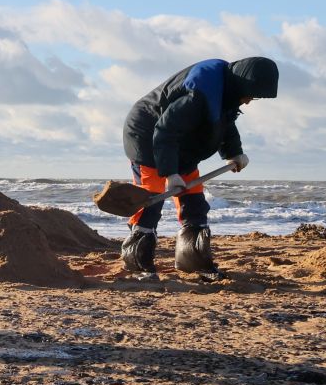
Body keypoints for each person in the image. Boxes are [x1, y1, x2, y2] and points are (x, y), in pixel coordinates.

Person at [117, 57, 279, 277]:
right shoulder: (198, 94)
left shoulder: (226, 92)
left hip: (180, 145)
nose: (249, 101)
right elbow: (165, 131)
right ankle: (137, 264)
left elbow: (224, 122)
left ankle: (192, 262)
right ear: (242, 84)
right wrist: (170, 173)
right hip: (148, 136)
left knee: (194, 202)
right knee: (151, 201)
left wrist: (234, 152)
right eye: (250, 95)